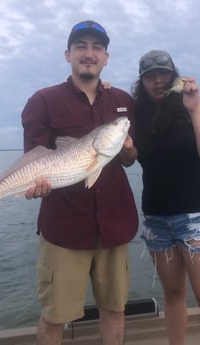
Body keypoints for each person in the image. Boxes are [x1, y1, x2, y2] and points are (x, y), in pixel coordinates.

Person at [21, 20, 138, 345]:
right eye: (81, 46)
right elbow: (34, 159)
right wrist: (34, 186)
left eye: (96, 47)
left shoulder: (124, 100)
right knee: (54, 316)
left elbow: (130, 159)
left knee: (114, 310)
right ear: (67, 54)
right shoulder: (43, 101)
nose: (89, 53)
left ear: (106, 57)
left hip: (115, 223)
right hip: (64, 228)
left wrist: (128, 150)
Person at [132, 50, 200, 345]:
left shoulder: (196, 108)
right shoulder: (137, 116)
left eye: (164, 74)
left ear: (174, 75)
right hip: (156, 218)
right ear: (142, 82)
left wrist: (192, 108)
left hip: (198, 216)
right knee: (173, 295)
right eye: (150, 76)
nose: (158, 81)